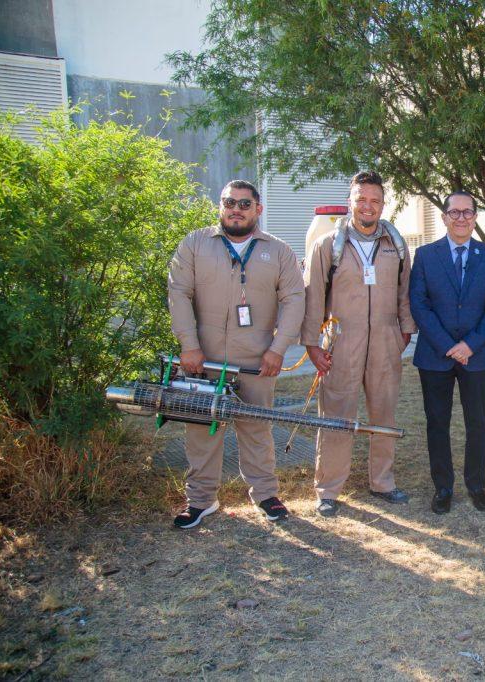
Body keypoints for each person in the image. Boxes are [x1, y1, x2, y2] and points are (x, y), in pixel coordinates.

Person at [167, 180, 305, 528]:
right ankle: (201, 500)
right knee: (202, 430)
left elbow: (294, 300)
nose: (236, 210)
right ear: (220, 206)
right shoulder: (195, 244)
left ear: (258, 209)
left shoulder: (279, 252)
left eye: (245, 204)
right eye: (230, 202)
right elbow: (179, 293)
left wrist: (278, 349)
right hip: (204, 359)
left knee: (257, 427)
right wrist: (189, 345)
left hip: (257, 360)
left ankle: (265, 495)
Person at [301, 171, 416, 517]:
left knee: (384, 413)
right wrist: (312, 344)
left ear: (383, 204)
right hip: (341, 341)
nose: (368, 206)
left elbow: (405, 293)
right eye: (361, 199)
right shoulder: (328, 246)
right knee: (336, 414)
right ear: (350, 202)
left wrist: (404, 332)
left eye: (375, 200)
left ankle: (383, 482)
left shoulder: (396, 245)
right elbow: (313, 297)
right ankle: (328, 489)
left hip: (385, 340)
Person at [409, 191, 485, 514]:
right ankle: (443, 487)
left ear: (475, 217)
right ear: (444, 217)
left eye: (467, 212)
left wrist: (470, 345)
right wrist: (448, 346)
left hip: (476, 355)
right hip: (435, 355)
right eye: (455, 212)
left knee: (476, 422)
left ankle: (477, 485)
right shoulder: (425, 255)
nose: (461, 218)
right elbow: (419, 304)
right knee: (437, 422)